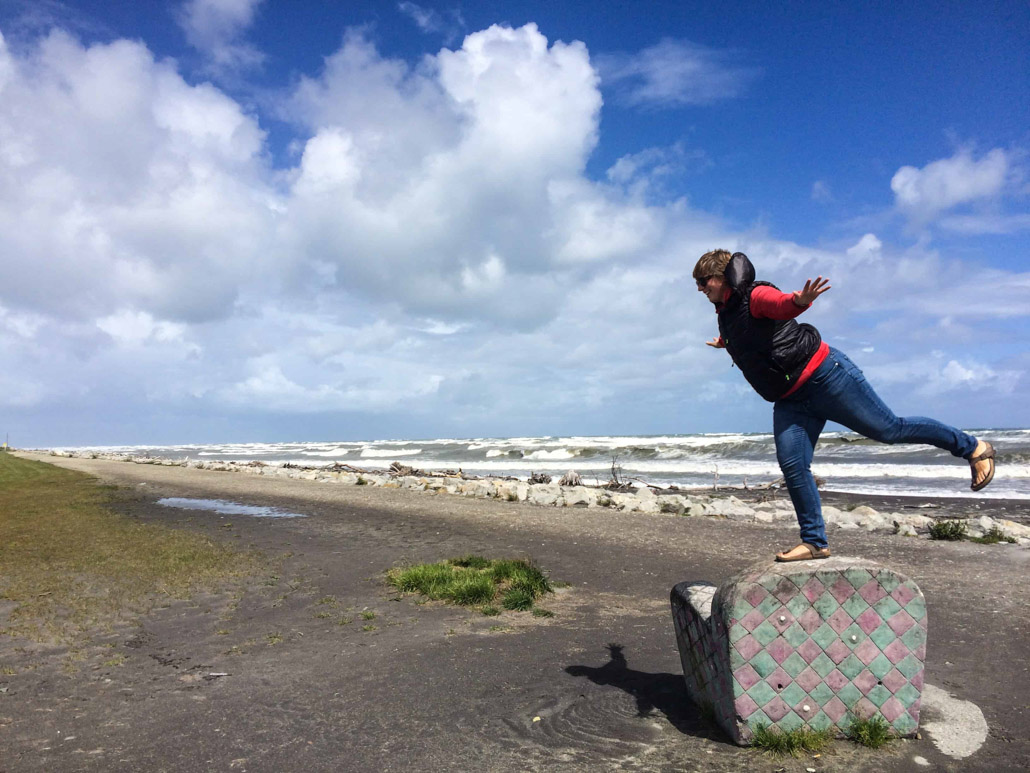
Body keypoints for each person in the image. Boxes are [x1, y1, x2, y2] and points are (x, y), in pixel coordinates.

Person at [694, 249, 996, 562]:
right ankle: (815, 542)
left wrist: (800, 300)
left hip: (826, 378)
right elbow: (752, 336)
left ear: (722, 276)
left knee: (890, 430)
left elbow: (781, 305)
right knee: (793, 465)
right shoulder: (726, 312)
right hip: (790, 399)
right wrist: (725, 342)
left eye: (704, 281)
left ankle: (974, 448)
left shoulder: (755, 295)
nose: (701, 289)